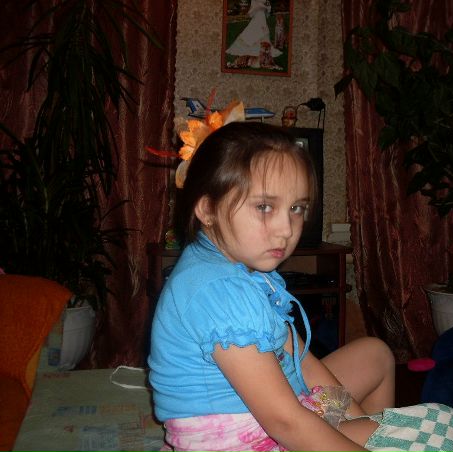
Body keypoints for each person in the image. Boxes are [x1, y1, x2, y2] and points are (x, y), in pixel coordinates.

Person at [148, 121, 396, 452]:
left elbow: (302, 360)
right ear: (207, 209)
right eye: (264, 207)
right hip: (248, 440)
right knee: (405, 436)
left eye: (296, 208)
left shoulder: (238, 268)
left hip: (274, 412)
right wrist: (370, 439)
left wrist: (350, 422)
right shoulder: (220, 290)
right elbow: (284, 422)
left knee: (375, 355)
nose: (286, 229)